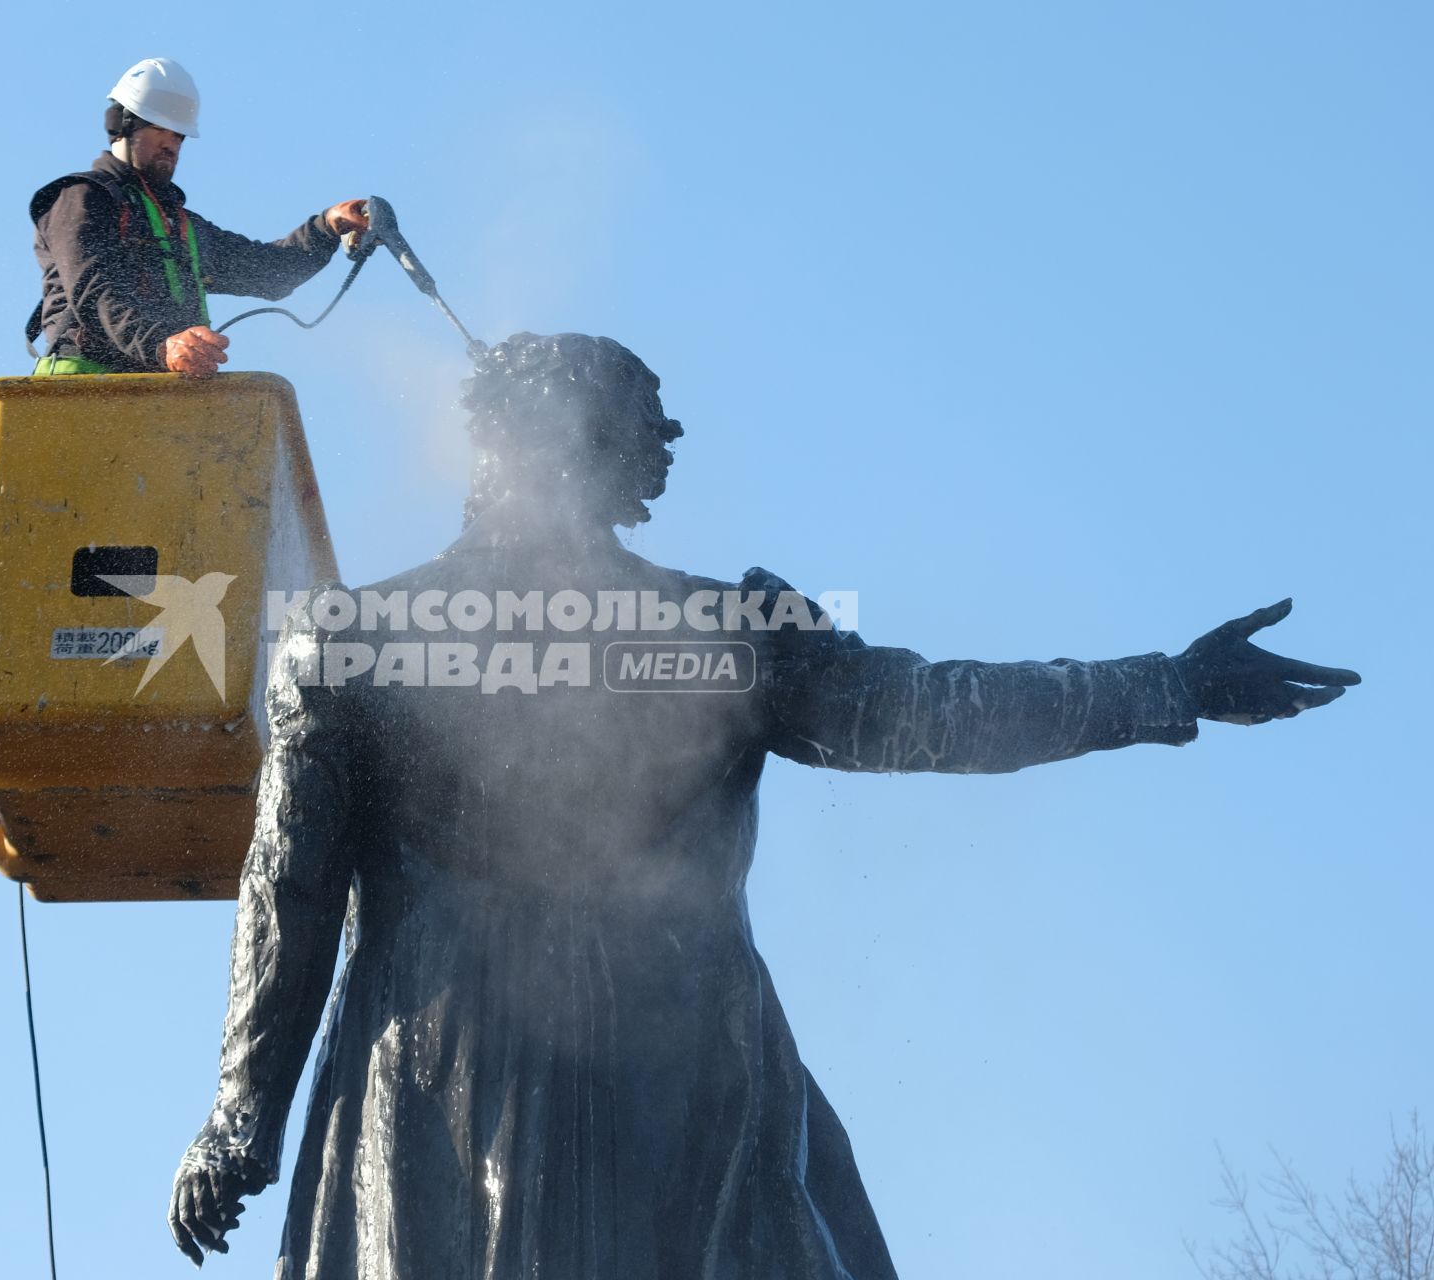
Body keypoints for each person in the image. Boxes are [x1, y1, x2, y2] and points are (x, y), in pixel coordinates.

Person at [165, 334, 1361, 1278]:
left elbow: (293, 896)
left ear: (491, 447)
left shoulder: (349, 640)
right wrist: (1170, 684)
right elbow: (934, 713)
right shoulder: (724, 630)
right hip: (675, 1071)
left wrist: (241, 1118)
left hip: (446, 1078)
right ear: (630, 469)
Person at [28, 58, 369, 377]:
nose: (171, 144)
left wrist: (328, 225)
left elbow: (268, 273)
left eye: (178, 135)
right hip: (79, 393)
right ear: (123, 125)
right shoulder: (81, 199)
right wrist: (161, 346)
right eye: (160, 129)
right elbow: (94, 291)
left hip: (163, 397)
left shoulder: (179, 227)